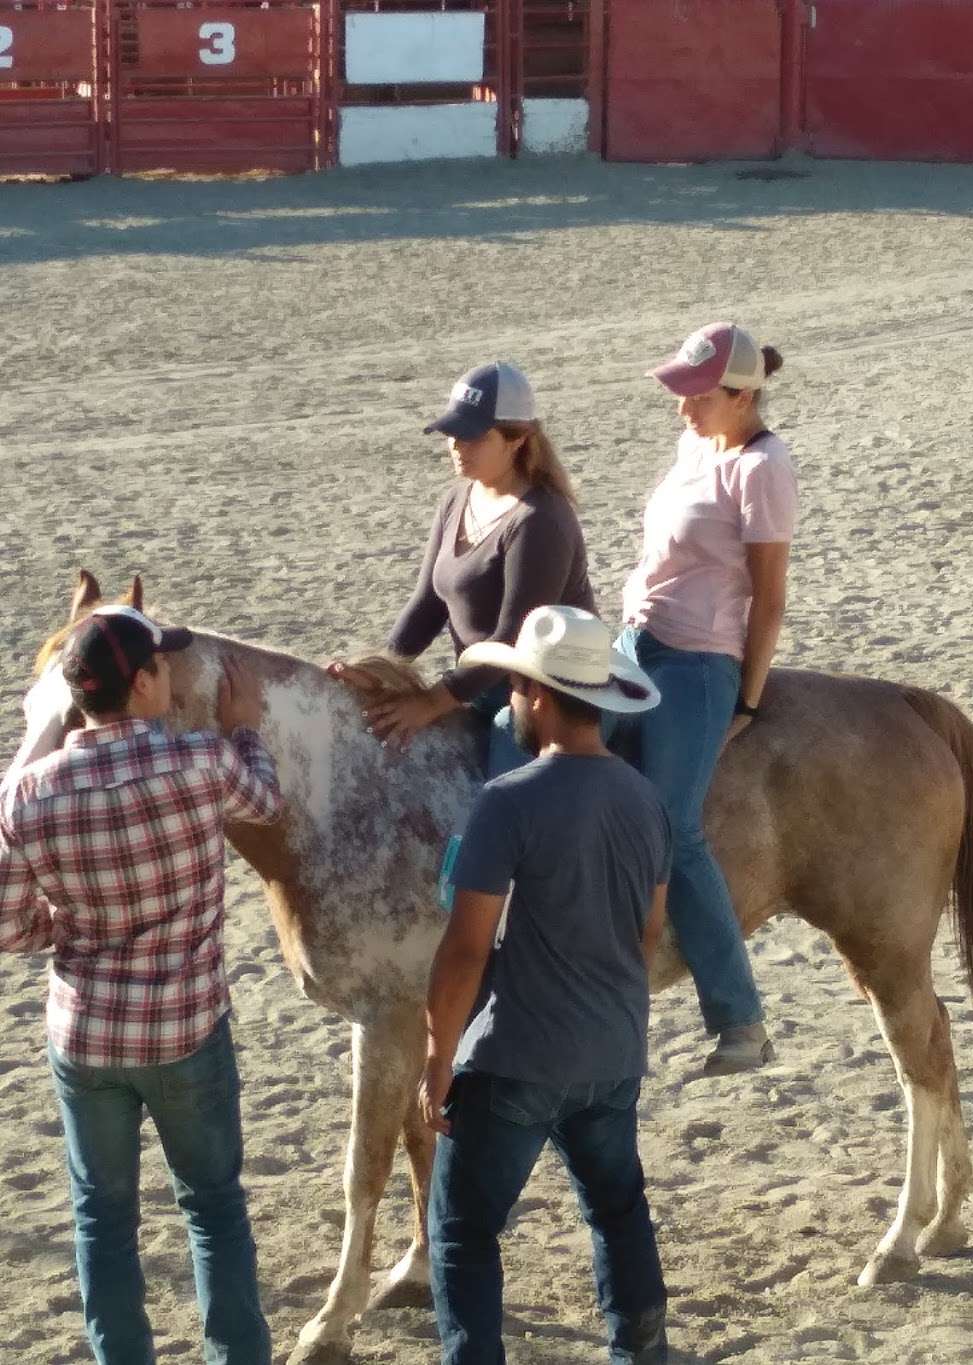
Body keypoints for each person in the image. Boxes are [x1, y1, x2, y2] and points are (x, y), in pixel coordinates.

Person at [0, 605, 283, 1365]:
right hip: (186, 1025)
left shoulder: (26, 795)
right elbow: (267, 802)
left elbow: (6, 926)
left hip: (85, 1032)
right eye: (163, 665)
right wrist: (245, 726)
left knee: (101, 1216)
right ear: (146, 680)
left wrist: (68, 929)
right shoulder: (200, 761)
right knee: (215, 1206)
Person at [419, 604, 671, 1365]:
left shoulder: (507, 800)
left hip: (516, 1056)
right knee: (619, 1211)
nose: (508, 703)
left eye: (516, 689)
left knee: (462, 1229)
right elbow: (648, 935)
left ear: (538, 696)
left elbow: (464, 948)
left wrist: (437, 1057)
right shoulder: (646, 798)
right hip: (613, 1052)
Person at [618, 321, 798, 1075]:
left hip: (698, 665)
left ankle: (741, 1019)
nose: (681, 408)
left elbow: (769, 599)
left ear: (740, 395)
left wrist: (746, 703)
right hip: (632, 643)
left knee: (672, 824)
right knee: (529, 734)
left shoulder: (762, 468)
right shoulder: (698, 446)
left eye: (696, 396)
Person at [328, 362, 594, 774]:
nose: (457, 446)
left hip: (541, 694)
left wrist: (430, 703)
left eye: (473, 437)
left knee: (502, 802)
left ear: (518, 439)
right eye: (452, 434)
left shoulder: (540, 519)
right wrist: (379, 668)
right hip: (476, 685)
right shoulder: (456, 499)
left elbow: (513, 639)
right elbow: (428, 603)